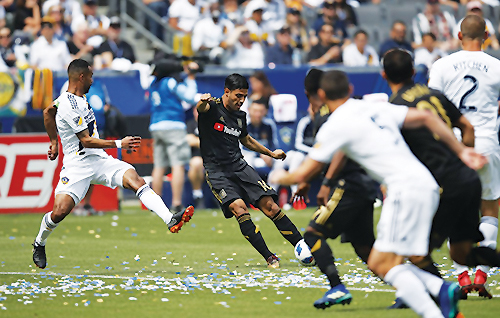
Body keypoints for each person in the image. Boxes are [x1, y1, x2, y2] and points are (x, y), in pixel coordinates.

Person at [272, 70, 486, 317]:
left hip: (404, 190)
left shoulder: (335, 124)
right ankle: (439, 290)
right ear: (350, 89)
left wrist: (280, 177)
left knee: (383, 263)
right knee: (389, 259)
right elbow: (427, 117)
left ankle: (439, 293)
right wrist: (461, 150)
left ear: (321, 94)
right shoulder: (374, 108)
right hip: (426, 184)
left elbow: (302, 174)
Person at [32, 59, 195, 269]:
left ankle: (170, 219)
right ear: (81, 77)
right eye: (90, 76)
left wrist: (54, 142)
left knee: (134, 178)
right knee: (60, 212)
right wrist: (119, 143)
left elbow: (48, 112)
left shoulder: (72, 100)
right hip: (77, 166)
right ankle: (39, 242)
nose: (92, 80)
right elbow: (86, 140)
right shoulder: (69, 104)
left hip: (99, 160)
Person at [384, 48, 500, 306]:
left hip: (442, 184)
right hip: (465, 178)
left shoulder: (396, 107)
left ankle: (428, 294)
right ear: (414, 72)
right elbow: (467, 126)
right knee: (463, 252)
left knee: (414, 248)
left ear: (383, 75)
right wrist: (465, 155)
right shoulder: (433, 95)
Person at [270, 68, 378, 308]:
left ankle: (336, 287)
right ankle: (420, 288)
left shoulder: (326, 116)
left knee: (312, 234)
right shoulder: (353, 109)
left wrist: (304, 179)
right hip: (367, 183)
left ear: (312, 94)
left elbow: (337, 151)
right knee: (365, 249)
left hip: (349, 185)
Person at [197, 73, 302, 268]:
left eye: (244, 96)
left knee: (271, 206)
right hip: (217, 172)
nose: (241, 100)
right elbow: (201, 108)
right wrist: (202, 101)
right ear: (226, 92)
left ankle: (302, 246)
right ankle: (269, 257)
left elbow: (246, 140)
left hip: (240, 166)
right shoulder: (211, 107)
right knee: (239, 208)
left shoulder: (240, 116)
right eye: (238, 95)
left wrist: (271, 153)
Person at [428, 14, 500, 299]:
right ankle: (481, 273)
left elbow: (432, 104)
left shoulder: (442, 65)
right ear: (486, 36)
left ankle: (461, 276)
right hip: (486, 143)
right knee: (490, 208)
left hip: (453, 144)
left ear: (459, 36)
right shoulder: (496, 66)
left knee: (451, 209)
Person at [149, 59, 199, 213]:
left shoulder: (154, 83)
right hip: (173, 125)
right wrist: (190, 79)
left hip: (156, 125)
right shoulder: (170, 82)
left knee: (159, 166)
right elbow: (190, 97)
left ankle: (154, 204)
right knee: (178, 164)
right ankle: (177, 203)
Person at [242, 100, 279, 179]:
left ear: (265, 112)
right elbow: (241, 148)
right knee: (247, 160)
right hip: (248, 156)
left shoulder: (269, 125)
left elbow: (273, 145)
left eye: (261, 111)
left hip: (266, 157)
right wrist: (260, 153)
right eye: (255, 111)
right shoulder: (244, 124)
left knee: (279, 162)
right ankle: (250, 189)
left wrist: (270, 155)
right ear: (249, 110)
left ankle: (273, 189)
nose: (258, 114)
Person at [186, 106, 205, 208]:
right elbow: (189, 140)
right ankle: (197, 195)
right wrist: (206, 142)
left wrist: (197, 141)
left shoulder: (212, 123)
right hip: (195, 157)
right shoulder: (191, 124)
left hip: (213, 157)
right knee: (196, 163)